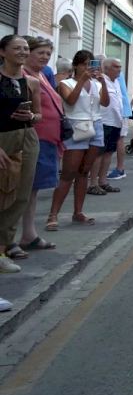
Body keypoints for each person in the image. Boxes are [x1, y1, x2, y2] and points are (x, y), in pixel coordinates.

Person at [47, 51, 107, 230]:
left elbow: (105, 103)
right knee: (69, 172)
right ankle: (53, 214)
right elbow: (71, 101)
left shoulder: (96, 84)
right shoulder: (65, 83)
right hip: (77, 124)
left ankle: (78, 212)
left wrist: (103, 82)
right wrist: (81, 81)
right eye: (84, 64)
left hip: (95, 124)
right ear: (75, 66)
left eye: (90, 64)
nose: (87, 68)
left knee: (84, 171)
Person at [0, 36, 41, 273]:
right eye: (17, 48)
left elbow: (39, 115)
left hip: (27, 139)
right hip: (2, 139)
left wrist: (32, 117)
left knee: (20, 196)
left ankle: (2, 250)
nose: (23, 52)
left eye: (25, 48)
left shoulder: (32, 82)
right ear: (3, 52)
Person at [18, 37, 59, 253]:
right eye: (40, 53)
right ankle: (10, 239)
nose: (45, 57)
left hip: (47, 139)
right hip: (33, 138)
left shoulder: (42, 75)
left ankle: (29, 234)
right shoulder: (23, 76)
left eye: (48, 54)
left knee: (32, 190)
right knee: (22, 190)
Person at [90, 57, 125, 195]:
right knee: (98, 153)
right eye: (116, 66)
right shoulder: (99, 81)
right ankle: (93, 183)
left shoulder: (116, 82)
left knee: (109, 152)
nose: (119, 69)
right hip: (103, 121)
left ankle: (103, 181)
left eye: (120, 66)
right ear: (106, 68)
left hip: (115, 122)